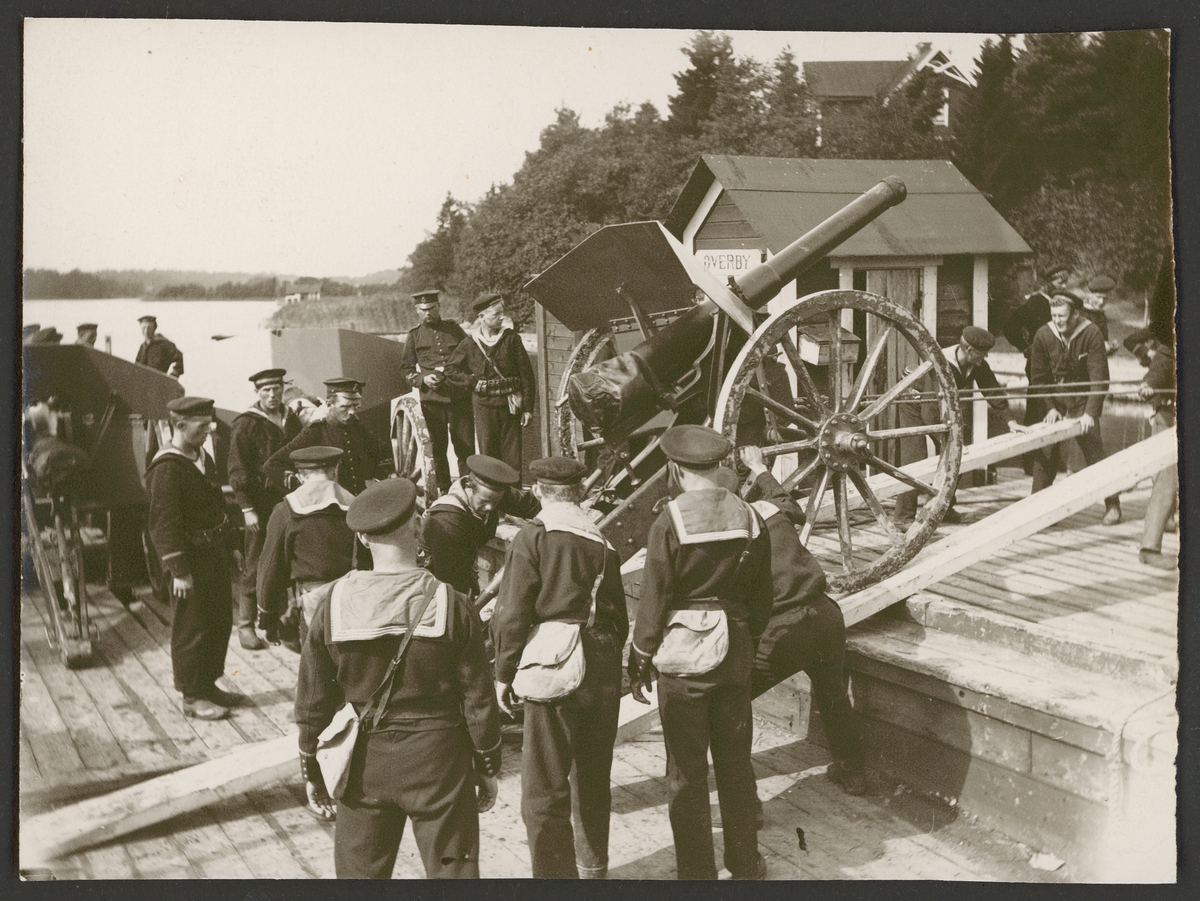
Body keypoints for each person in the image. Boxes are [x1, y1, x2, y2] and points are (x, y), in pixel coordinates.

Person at [294, 478, 502, 877]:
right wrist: (487, 764)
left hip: (363, 765)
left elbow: (311, 701)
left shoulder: (332, 605)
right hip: (438, 762)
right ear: (417, 526)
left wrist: (310, 767)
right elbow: (478, 699)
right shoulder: (452, 605)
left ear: (364, 539)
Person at [628, 425, 773, 880]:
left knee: (686, 774)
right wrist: (744, 637)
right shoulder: (752, 517)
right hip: (735, 653)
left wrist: (640, 653)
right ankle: (746, 866)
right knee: (735, 766)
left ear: (675, 469)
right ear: (719, 468)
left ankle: (696, 874)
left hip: (685, 662)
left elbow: (654, 598)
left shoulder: (668, 522)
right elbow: (764, 599)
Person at [491, 456, 629, 878]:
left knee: (544, 787)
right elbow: (619, 619)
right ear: (579, 493)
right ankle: (593, 867)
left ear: (538, 492)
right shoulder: (603, 542)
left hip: (554, 663)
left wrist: (503, 672)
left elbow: (512, 611)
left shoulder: (535, 535)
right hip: (601, 661)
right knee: (592, 774)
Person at [737, 446, 867, 795]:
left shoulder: (729, 525)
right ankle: (853, 772)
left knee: (731, 706)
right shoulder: (770, 511)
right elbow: (794, 508)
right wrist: (761, 470)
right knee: (833, 696)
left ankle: (746, 804)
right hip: (825, 616)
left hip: (783, 630)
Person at [146, 396, 246, 720]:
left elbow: (217, 504)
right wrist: (178, 571)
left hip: (214, 554)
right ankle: (192, 696)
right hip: (190, 562)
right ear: (179, 425)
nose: (208, 431)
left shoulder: (202, 456)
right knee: (192, 626)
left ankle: (208, 683)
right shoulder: (167, 467)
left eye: (209, 424)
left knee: (219, 620)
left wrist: (231, 543)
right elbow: (163, 524)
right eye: (201, 426)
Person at [894, 326, 1025, 527]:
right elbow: (930, 413)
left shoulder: (977, 364)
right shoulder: (941, 364)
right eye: (983, 353)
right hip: (914, 402)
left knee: (959, 453)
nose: (986, 357)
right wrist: (948, 442)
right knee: (914, 459)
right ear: (970, 351)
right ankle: (903, 517)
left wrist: (1011, 421)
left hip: (938, 405)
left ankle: (943, 507)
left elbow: (992, 390)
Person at [1028, 291, 1121, 525]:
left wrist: (1090, 412)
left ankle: (1113, 506)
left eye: (1062, 316)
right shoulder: (1043, 335)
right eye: (1054, 315)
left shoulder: (1090, 332)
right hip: (1056, 399)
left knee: (1094, 452)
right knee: (1046, 453)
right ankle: (1038, 510)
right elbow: (1038, 379)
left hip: (1082, 399)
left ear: (1075, 315)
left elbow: (1099, 378)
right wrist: (1050, 408)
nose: (1058, 320)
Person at [227, 368, 304, 650]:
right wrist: (247, 508)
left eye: (276, 389)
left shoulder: (291, 419)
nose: (272, 395)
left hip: (289, 501)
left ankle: (286, 623)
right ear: (257, 393)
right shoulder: (246, 424)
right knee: (256, 560)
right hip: (260, 503)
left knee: (291, 558)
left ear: (283, 390)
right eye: (266, 391)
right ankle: (246, 626)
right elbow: (236, 468)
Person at [257, 446, 357, 650]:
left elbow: (270, 570)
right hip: (355, 602)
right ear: (335, 471)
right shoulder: (356, 507)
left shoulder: (286, 511)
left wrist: (268, 618)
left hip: (313, 606)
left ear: (300, 477)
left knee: (316, 674)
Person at [420, 454, 540, 599]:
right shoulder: (448, 521)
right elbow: (452, 585)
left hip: (463, 572)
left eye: (496, 502)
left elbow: (530, 505)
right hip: (434, 586)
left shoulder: (490, 494)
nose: (490, 507)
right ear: (469, 488)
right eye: (484, 501)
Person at [446, 293, 537, 475]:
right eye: (496, 314)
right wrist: (472, 382)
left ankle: (513, 499)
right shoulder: (469, 344)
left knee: (513, 459)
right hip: (484, 407)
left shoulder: (511, 339)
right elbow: (450, 369)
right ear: (482, 317)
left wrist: (527, 408)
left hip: (510, 407)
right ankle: (494, 499)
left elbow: (526, 375)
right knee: (489, 457)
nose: (502, 317)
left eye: (502, 312)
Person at [399, 290, 475, 494]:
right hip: (432, 401)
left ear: (438, 307)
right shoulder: (414, 336)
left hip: (459, 397)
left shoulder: (454, 329)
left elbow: (471, 356)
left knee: (465, 448)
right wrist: (423, 379)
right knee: (438, 449)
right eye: (423, 310)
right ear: (417, 311)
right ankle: (443, 488)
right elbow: (406, 370)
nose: (428, 313)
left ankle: (467, 488)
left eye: (431, 308)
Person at [265, 377, 391, 497]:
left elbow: (385, 452)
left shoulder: (357, 427)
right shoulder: (315, 431)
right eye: (345, 407)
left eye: (355, 406)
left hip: (361, 501)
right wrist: (306, 489)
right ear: (329, 404)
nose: (352, 412)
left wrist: (377, 480)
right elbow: (272, 465)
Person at [1124, 329, 1177, 571]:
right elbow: (1156, 375)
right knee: (1167, 480)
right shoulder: (1169, 350)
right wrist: (1148, 387)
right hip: (1168, 419)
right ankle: (1149, 548)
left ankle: (1170, 519)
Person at [1002, 263, 1071, 382]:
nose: (1064, 286)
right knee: (1037, 398)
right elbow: (1010, 327)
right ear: (1049, 283)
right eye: (1060, 283)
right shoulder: (1034, 303)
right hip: (1039, 364)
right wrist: (1025, 348)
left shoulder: (1064, 303)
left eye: (1066, 282)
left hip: (1060, 363)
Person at [1082, 275, 1120, 356]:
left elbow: (1103, 339)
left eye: (1105, 298)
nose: (1101, 301)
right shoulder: (1081, 314)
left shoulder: (1100, 315)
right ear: (1089, 294)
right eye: (1098, 297)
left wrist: (1110, 347)